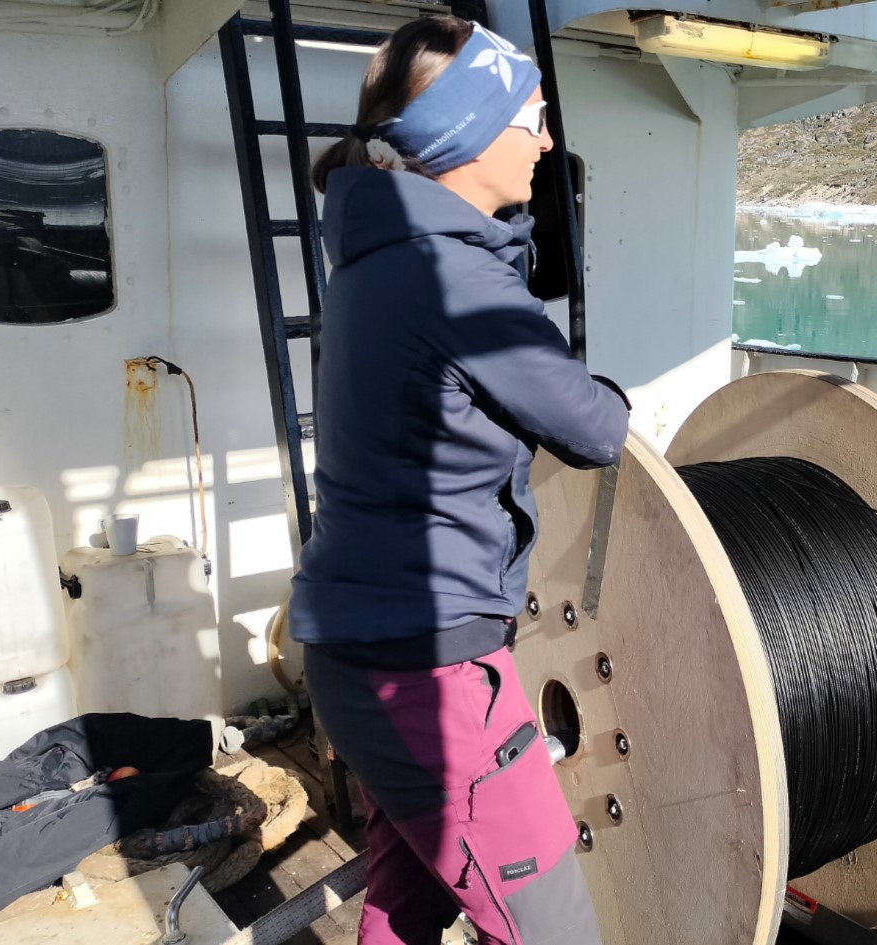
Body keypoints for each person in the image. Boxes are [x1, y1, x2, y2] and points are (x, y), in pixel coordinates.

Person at [289, 16, 627, 944]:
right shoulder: (454, 278)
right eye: (535, 116)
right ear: (469, 131)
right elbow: (597, 428)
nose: (549, 141)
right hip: (425, 675)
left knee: (407, 904)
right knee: (557, 929)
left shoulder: (378, 253)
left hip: (368, 653)